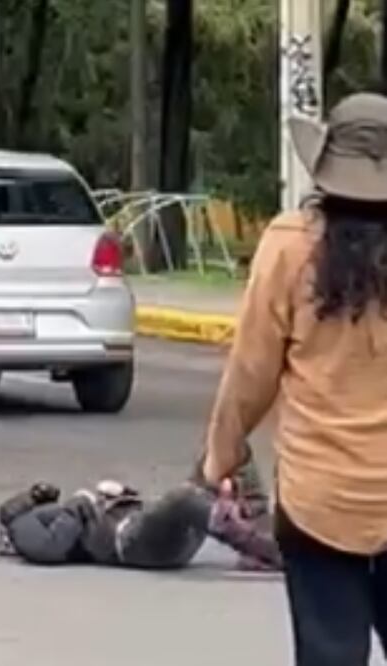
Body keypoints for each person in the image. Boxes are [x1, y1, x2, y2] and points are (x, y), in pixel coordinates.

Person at [202, 92, 387, 666]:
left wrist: (221, 459)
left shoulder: (289, 245)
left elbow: (251, 373)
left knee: (330, 654)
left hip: (318, 502)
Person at [0, 457, 282, 571]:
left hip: (143, 524)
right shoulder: (20, 527)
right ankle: (264, 549)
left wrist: (116, 494)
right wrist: (80, 502)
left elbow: (104, 512)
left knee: (221, 447)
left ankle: (255, 520)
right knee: (182, 499)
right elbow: (50, 549)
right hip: (130, 544)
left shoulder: (46, 513)